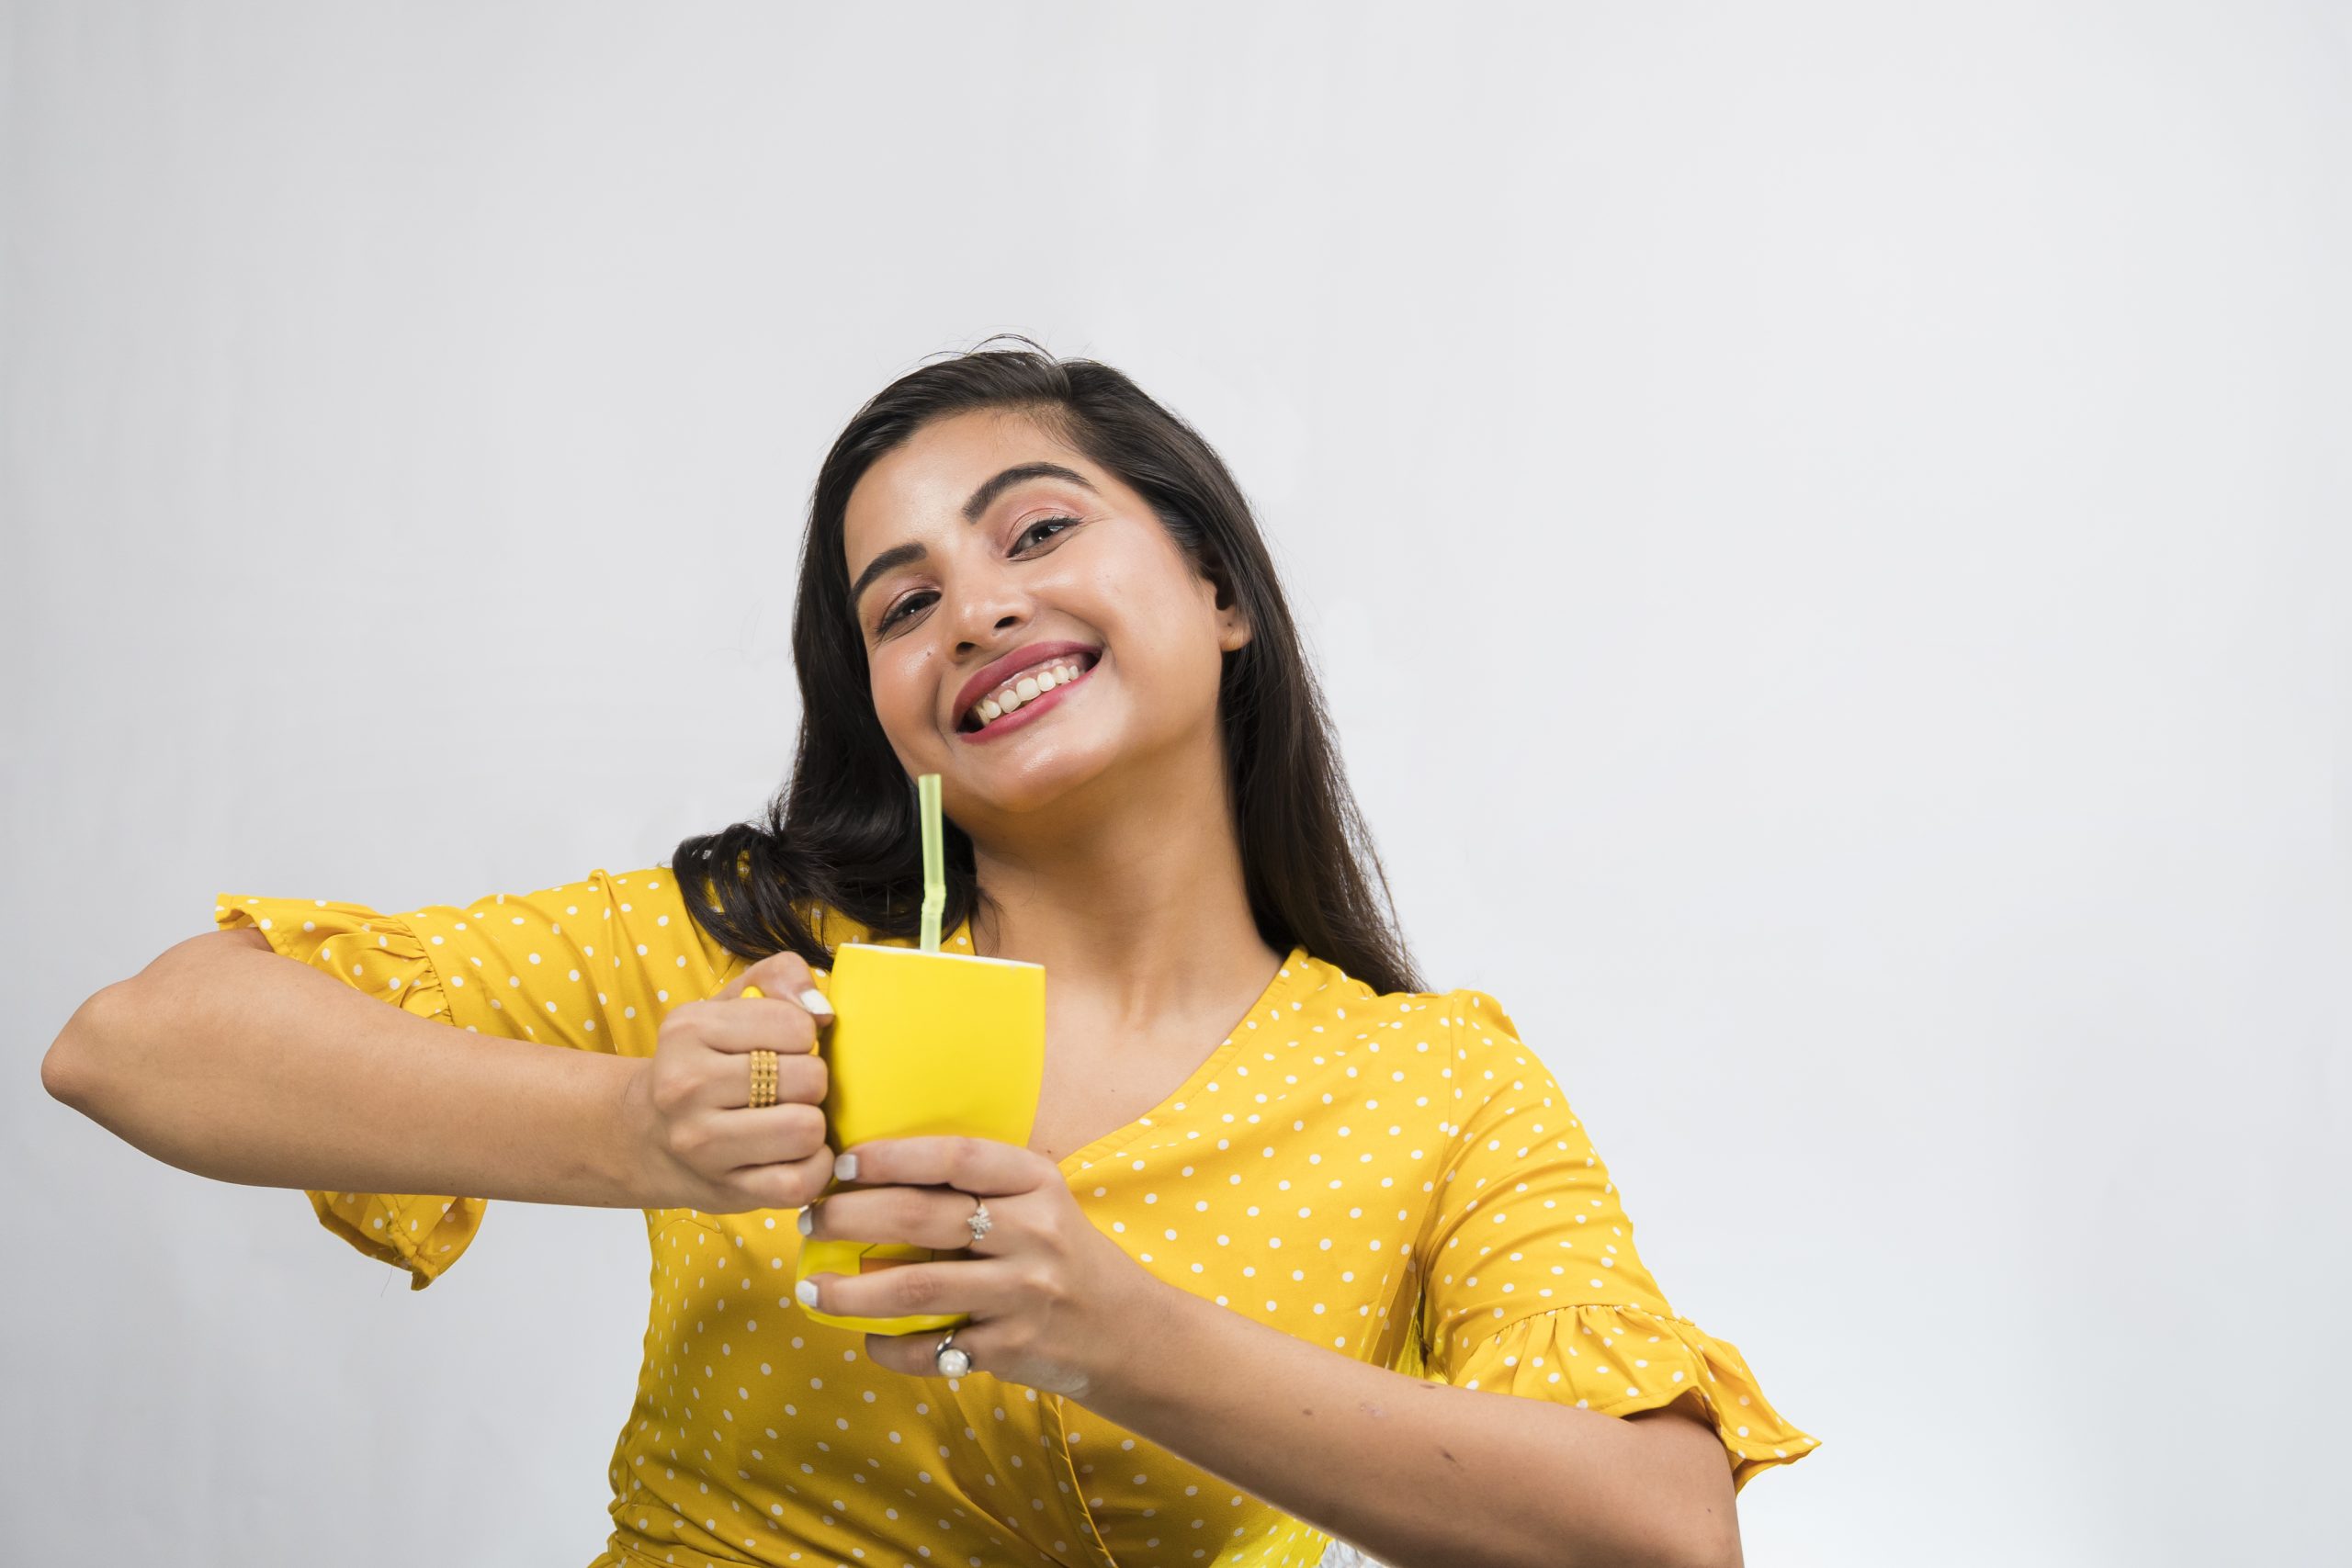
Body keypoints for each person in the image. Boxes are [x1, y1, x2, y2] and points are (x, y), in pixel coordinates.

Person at [48, 337, 1818, 1568]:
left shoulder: (1436, 1090)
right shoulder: (752, 949)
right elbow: (135, 1040)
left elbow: (1662, 1532)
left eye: (1037, 529)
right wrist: (630, 1137)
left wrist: (1120, 1337)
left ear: (1221, 591)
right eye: (900, 603)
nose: (973, 604)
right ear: (891, 716)